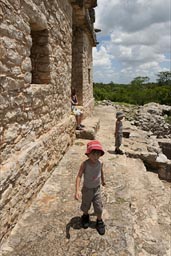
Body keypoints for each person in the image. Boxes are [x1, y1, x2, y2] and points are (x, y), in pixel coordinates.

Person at [75, 140, 106, 235]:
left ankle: (99, 221)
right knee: (85, 205)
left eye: (98, 154)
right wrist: (77, 190)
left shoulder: (100, 163)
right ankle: (85, 216)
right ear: (88, 154)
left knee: (99, 207)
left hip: (96, 188)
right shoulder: (85, 164)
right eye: (93, 154)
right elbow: (79, 176)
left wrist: (103, 181)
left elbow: (101, 172)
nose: (96, 156)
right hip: (87, 189)